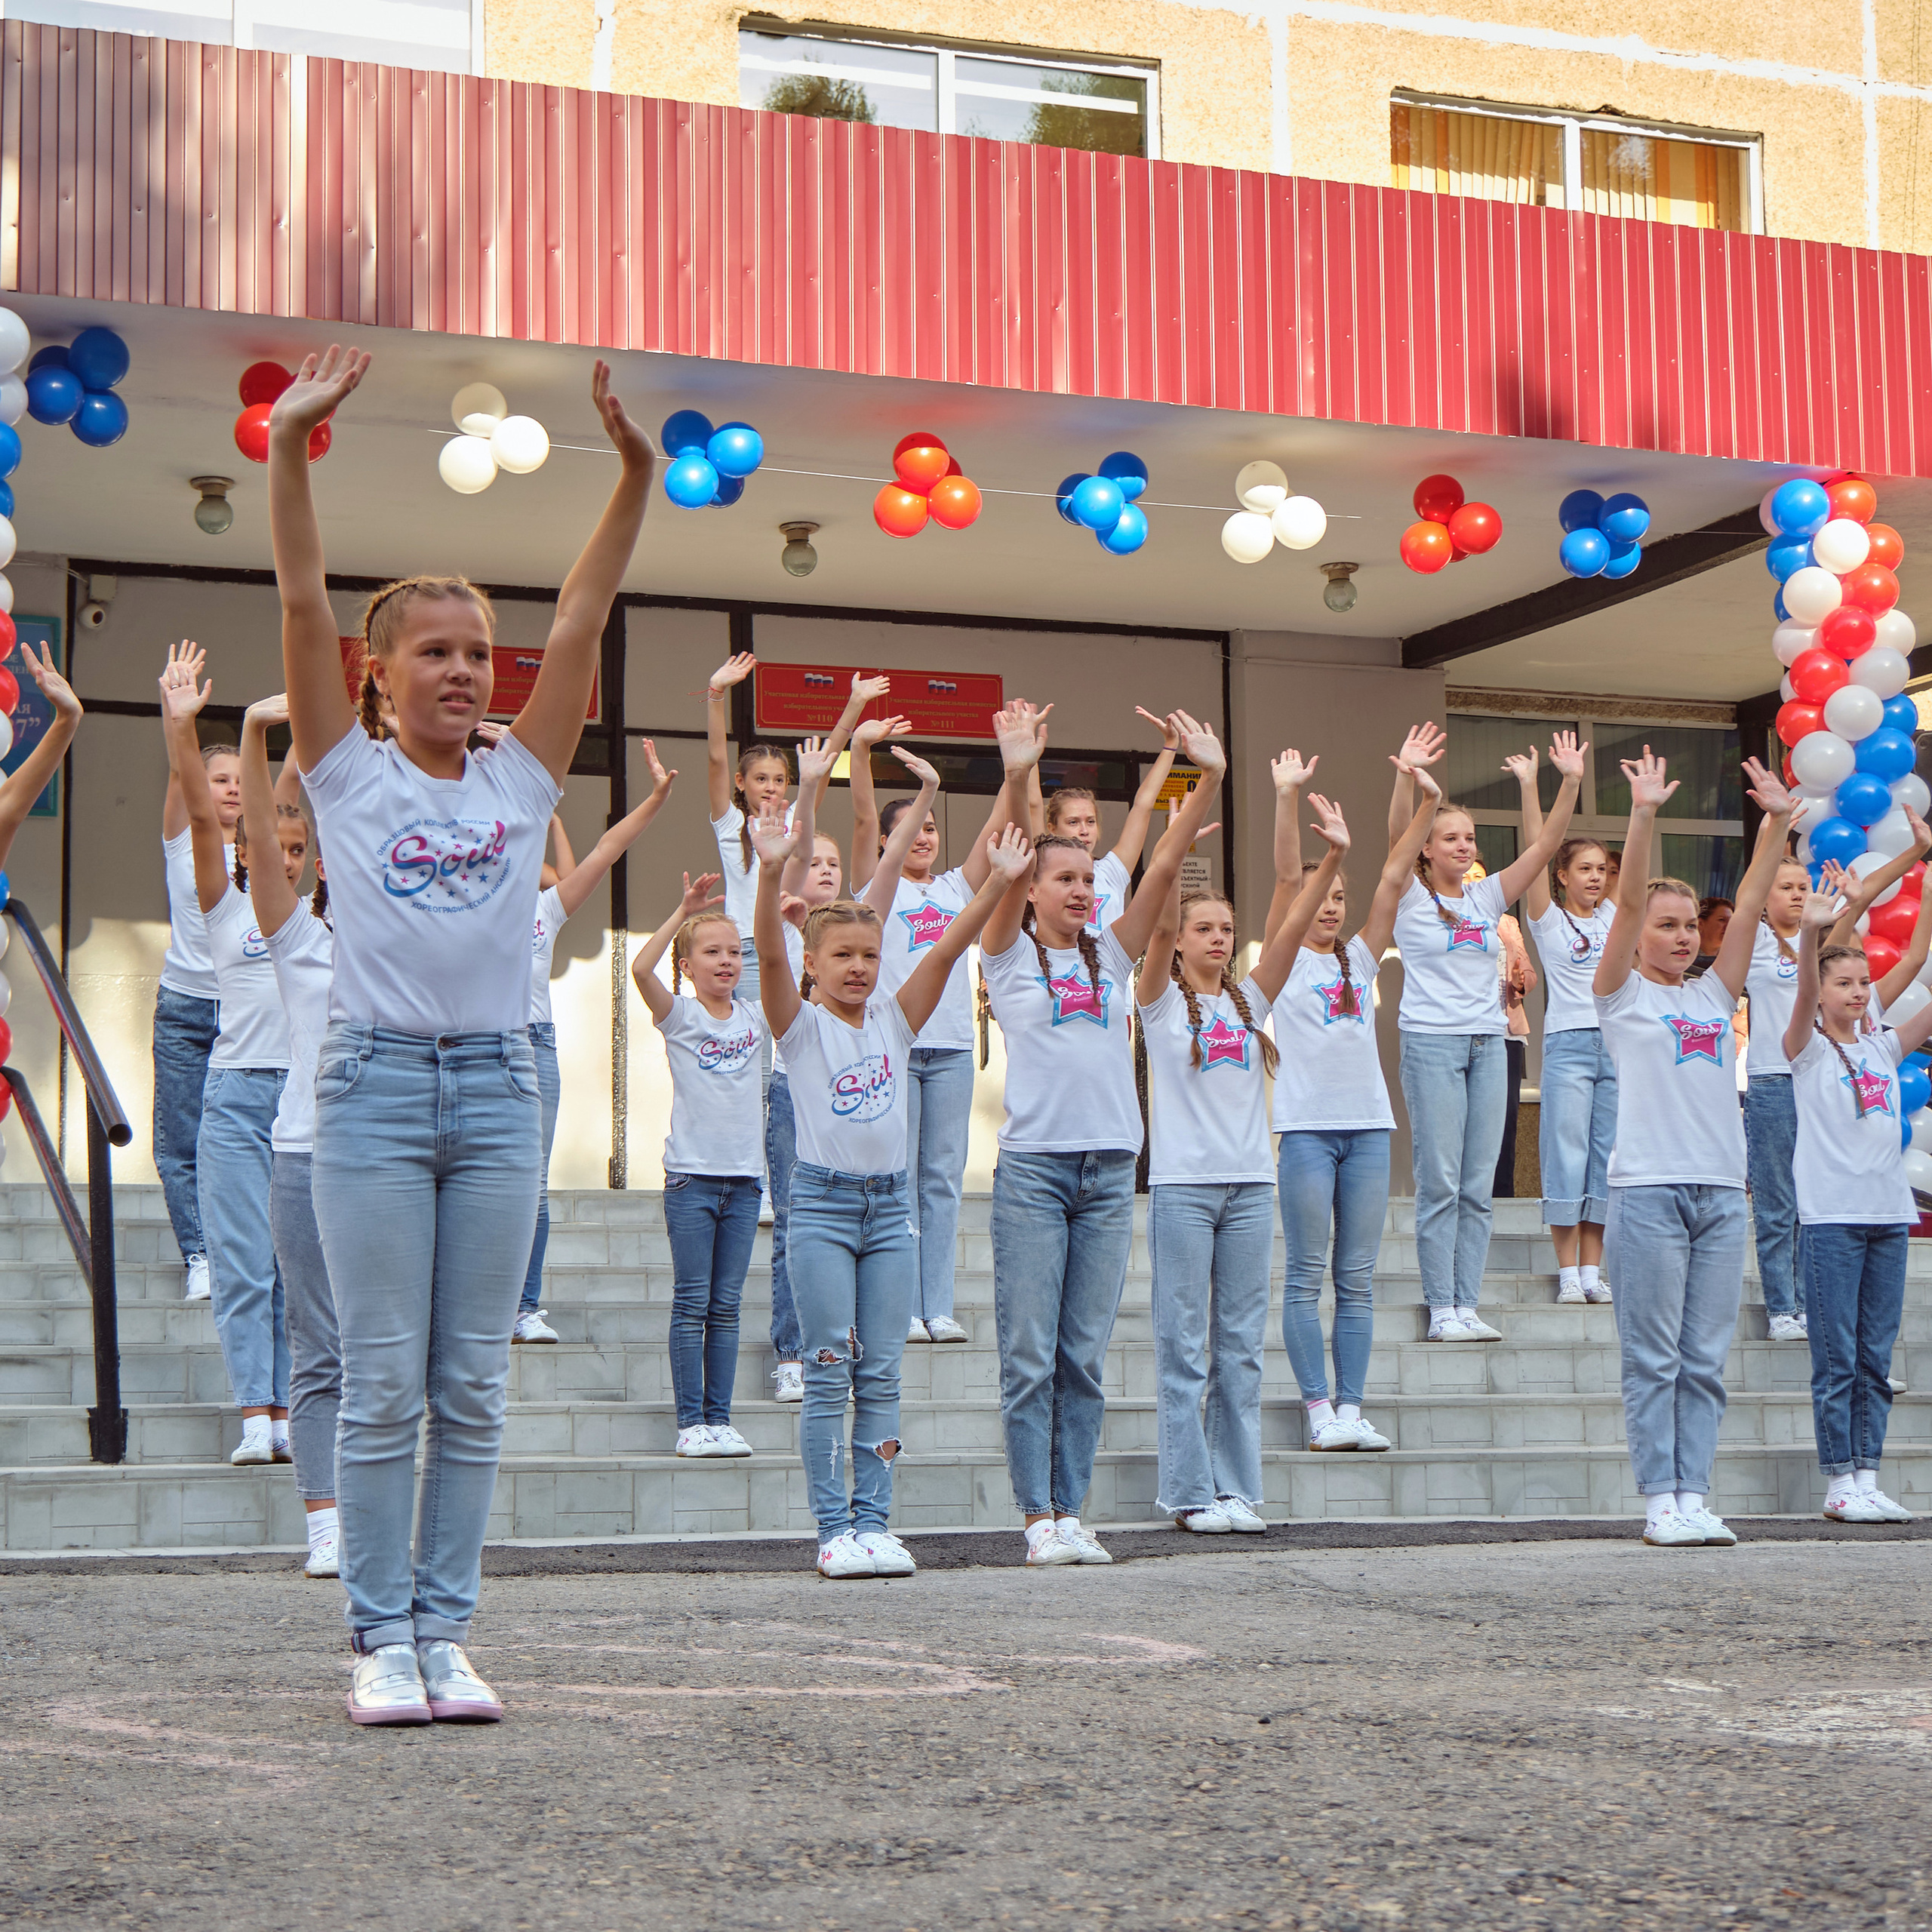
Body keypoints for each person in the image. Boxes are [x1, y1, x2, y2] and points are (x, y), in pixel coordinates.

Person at [269, 344, 655, 1725]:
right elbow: (302, 600)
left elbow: (588, 609)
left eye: (478, 653)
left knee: (473, 1386)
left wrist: (634, 471)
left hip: (499, 1092)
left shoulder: (521, 777)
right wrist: (288, 448)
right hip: (373, 1095)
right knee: (384, 1384)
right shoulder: (345, 774)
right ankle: (379, 1638)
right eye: (432, 651)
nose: (463, 671)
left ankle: (446, 1634)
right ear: (377, 676)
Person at [750, 792, 1033, 1580]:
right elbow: (768, 958)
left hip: (888, 1214)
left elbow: (946, 950)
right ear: (812, 963)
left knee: (881, 1373)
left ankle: (874, 1523)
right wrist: (770, 875)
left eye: (869, 957)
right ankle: (833, 1531)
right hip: (822, 1208)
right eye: (841, 956)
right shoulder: (798, 1026)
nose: (858, 968)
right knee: (828, 1370)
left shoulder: (896, 1019)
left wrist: (997, 883)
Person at [981, 702, 1223, 1567]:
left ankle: (1070, 1509)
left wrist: (1206, 777)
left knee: (1081, 1355)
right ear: (1032, 888)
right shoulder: (1007, 954)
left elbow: (1163, 863)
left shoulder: (1109, 955)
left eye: (1088, 879)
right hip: (1035, 1174)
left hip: (1110, 1169)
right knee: (1029, 1354)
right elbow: (1009, 866)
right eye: (1066, 879)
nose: (1083, 890)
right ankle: (1035, 1515)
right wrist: (1018, 770)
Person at [1592, 745, 1796, 1549]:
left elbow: (1746, 909)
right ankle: (1659, 1500)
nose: (1683, 937)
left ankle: (1694, 1493)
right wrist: (1642, 814)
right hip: (1647, 1191)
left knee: (1704, 1358)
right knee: (1654, 1359)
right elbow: (1621, 906)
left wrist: (1777, 824)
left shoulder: (1714, 993)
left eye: (1688, 926)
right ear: (1640, 933)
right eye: (1667, 925)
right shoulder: (1619, 996)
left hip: (1719, 1191)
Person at [1138, 788, 1348, 1531]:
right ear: (1181, 940)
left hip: (1252, 1189)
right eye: (1205, 928)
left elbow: (1290, 929)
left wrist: (1335, 858)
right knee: (1183, 1345)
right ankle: (1189, 1491)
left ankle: (1236, 1488)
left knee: (1239, 1347)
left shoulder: (1250, 1002)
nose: (1219, 938)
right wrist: (1174, 847)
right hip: (1184, 1191)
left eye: (1226, 928)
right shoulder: (1159, 1001)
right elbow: (1159, 921)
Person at [1266, 743, 1444, 1448]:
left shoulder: (1361, 958)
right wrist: (1286, 796)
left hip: (1369, 1130)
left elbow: (1396, 876)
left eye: (1340, 897)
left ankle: (1350, 1408)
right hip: (1308, 1132)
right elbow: (1288, 875)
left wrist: (1428, 801)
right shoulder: (1282, 958)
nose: (1332, 907)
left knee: (1358, 1278)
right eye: (1323, 897)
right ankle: (1317, 1410)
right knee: (1307, 1275)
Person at [763, 737, 950, 1398]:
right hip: (798, 1086)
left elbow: (888, 857)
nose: (822, 869)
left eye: (833, 863)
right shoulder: (785, 912)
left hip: (863, 1106)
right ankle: (795, 1349)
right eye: (812, 861)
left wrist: (929, 793)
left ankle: (854, 1358)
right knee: (796, 1224)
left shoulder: (858, 923)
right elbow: (775, 950)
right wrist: (812, 784)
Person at [158, 643, 305, 1472]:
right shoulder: (222, 905)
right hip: (236, 1099)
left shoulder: (321, 918)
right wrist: (189, 727)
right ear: (244, 848)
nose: (285, 858)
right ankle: (258, 1411)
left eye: (298, 849)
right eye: (272, 845)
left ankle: (293, 1408)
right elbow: (200, 804)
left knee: (297, 1271)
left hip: (308, 1102)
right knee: (246, 1264)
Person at [1388, 728, 1585, 1340]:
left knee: (1477, 1186)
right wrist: (1408, 779)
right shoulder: (1408, 895)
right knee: (1441, 1181)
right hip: (1432, 1044)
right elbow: (1396, 837)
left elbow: (1545, 846)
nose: (1463, 845)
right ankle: (1440, 1307)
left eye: (1469, 837)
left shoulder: (1486, 897)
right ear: (1426, 848)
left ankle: (1466, 1304)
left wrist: (1566, 782)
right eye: (1450, 837)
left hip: (1489, 1045)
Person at [849, 712, 1026, 1346]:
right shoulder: (876, 886)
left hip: (949, 1050)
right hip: (896, 1046)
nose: (924, 837)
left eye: (929, 828)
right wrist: (860, 751)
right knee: (898, 1176)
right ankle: (900, 1305)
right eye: (911, 829)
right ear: (889, 843)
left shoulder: (956, 887)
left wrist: (1015, 770)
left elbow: (998, 827)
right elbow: (863, 820)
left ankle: (938, 1305)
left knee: (943, 1179)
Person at [512, 749, 675, 1345]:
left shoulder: (544, 908)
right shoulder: (459, 902)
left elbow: (605, 851)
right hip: (473, 1045)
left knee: (531, 1184)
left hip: (532, 1047)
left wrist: (654, 801)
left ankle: (523, 1307)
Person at [233, 690, 342, 1578]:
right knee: (320, 1349)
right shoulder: (298, 938)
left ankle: (377, 1513)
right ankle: (325, 1520)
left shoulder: (412, 951)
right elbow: (266, 842)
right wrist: (257, 733)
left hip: (391, 1165)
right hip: (306, 1160)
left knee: (389, 1356)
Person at [1781, 889, 1927, 1524]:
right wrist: (1812, 936)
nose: (1859, 992)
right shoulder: (1807, 1049)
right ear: (1821, 991)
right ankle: (1839, 1481)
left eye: (1864, 982)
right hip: (1832, 1221)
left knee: (1875, 1356)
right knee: (1837, 1357)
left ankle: (1867, 1476)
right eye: (1844, 983)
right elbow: (1802, 995)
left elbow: (1921, 971)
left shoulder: (1882, 1047)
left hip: (1888, 1217)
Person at [631, 869, 764, 1460]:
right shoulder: (680, 1015)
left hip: (746, 1181)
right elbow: (641, 970)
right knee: (692, 1303)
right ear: (687, 966)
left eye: (734, 951)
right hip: (691, 1179)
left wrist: (786, 924)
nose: (726, 960)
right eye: (712, 952)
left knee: (726, 1307)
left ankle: (720, 1418)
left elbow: (790, 975)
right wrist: (682, 914)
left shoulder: (756, 1017)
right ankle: (691, 1424)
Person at [703, 657, 886, 1017]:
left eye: (779, 780)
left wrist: (855, 703)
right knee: (756, 1036)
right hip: (746, 946)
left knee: (796, 1035)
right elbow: (716, 760)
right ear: (741, 782)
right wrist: (716, 693)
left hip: (791, 941)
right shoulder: (730, 823)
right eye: (760, 779)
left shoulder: (793, 821)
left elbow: (824, 763)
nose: (770, 787)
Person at [1509, 749, 1617, 1304]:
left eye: (1601, 870)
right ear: (1561, 876)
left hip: (1616, 1046)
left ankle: (1594, 1272)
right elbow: (1536, 847)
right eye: (1584, 869)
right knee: (1566, 1153)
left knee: (1606, 1157)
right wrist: (1533, 785)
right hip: (1569, 1044)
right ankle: (1568, 1272)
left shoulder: (1616, 916)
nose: (1595, 877)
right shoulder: (1547, 920)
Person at [155, 707, 235, 1306]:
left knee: (249, 1139)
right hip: (185, 1007)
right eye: (219, 779)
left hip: (248, 1013)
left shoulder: (268, 845)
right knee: (182, 1139)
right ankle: (200, 1254)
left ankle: (243, 1250)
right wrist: (178, 716)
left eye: (241, 780)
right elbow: (178, 768)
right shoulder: (183, 840)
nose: (231, 788)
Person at [1742, 845, 1818, 1340]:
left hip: (1818, 1083)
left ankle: (1809, 1304)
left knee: (1813, 1202)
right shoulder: (1754, 941)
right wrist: (1774, 829)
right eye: (1785, 887)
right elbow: (1748, 889)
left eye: (1803, 887)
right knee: (1777, 1202)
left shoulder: (1822, 941)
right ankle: (1781, 1309)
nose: (1796, 895)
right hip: (1771, 1081)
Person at [1032, 706, 1182, 933]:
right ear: (1051, 828)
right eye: (1073, 822)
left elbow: (1142, 806)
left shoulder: (1111, 872)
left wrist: (1170, 746)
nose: (1084, 830)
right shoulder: (1039, 866)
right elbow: (1032, 804)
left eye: (1090, 822)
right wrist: (1026, 754)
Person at [1690, 897, 1733, 977]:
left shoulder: (1734, 961)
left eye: (1731, 921)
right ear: (1700, 924)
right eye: (1722, 920)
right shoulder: (1686, 957)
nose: (1728, 926)